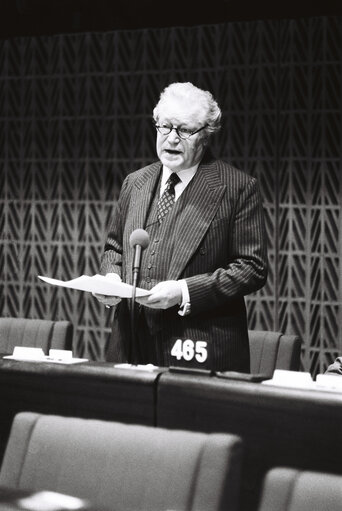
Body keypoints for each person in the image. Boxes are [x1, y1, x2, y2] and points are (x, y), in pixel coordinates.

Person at [95, 82, 268, 372]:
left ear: (206, 135)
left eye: (185, 130)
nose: (172, 139)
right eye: (165, 127)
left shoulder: (237, 188)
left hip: (199, 346)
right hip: (130, 346)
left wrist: (184, 291)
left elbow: (252, 268)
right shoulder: (135, 182)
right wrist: (111, 279)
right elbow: (114, 248)